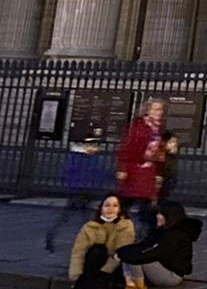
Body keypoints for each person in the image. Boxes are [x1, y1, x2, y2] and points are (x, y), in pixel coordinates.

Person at [108, 201, 203, 289]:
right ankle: (131, 288)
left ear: (169, 216)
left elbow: (155, 254)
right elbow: (144, 245)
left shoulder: (175, 236)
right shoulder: (162, 231)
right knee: (130, 256)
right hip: (161, 267)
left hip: (171, 275)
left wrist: (125, 254)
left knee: (135, 259)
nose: (157, 216)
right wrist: (121, 251)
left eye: (160, 214)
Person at [45, 127, 110, 254]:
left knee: (73, 217)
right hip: (80, 190)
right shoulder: (82, 158)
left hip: (84, 190)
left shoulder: (85, 158)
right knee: (80, 217)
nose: (95, 148)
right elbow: (95, 173)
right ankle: (91, 243)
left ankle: (52, 236)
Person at [64, 194, 136, 289]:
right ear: (101, 208)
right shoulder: (89, 227)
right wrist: (76, 275)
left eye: (115, 206)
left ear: (120, 209)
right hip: (93, 265)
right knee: (97, 250)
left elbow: (120, 252)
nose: (110, 209)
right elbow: (78, 252)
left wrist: (104, 273)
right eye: (107, 205)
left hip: (114, 267)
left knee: (103, 252)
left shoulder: (125, 226)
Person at [116, 98, 166, 238]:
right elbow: (127, 147)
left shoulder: (158, 128)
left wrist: (159, 171)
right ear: (147, 110)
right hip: (135, 170)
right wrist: (123, 168)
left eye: (161, 109)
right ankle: (124, 232)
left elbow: (160, 151)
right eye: (156, 109)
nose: (159, 112)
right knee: (128, 202)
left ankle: (146, 236)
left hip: (149, 172)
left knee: (147, 206)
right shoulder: (138, 127)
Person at [157, 134, 182, 203]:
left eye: (175, 142)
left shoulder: (173, 156)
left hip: (167, 186)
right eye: (171, 142)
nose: (174, 144)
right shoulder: (161, 156)